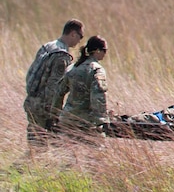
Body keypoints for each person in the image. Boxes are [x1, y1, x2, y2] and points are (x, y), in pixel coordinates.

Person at [23, 19, 84, 149]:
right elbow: (54, 87)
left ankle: (22, 168)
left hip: (32, 101)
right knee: (40, 148)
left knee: (37, 146)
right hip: (43, 106)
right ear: (73, 33)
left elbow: (32, 73)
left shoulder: (48, 47)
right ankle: (19, 169)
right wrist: (54, 113)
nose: (80, 41)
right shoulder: (62, 56)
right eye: (80, 36)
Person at [58, 35, 110, 133]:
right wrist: (102, 120)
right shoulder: (96, 70)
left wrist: (55, 114)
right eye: (105, 50)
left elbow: (59, 92)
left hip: (67, 120)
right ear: (97, 50)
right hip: (85, 123)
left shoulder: (72, 68)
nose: (105, 54)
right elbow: (98, 96)